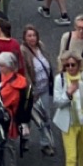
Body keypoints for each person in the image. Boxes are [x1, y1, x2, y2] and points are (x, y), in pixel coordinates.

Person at [19, 26, 56, 157]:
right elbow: (25, 72)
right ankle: (24, 140)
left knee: (45, 116)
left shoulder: (41, 46)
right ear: (24, 38)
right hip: (31, 91)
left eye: (34, 35)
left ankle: (45, 143)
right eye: (29, 36)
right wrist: (31, 91)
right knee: (27, 117)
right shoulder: (22, 51)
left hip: (44, 88)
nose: (32, 38)